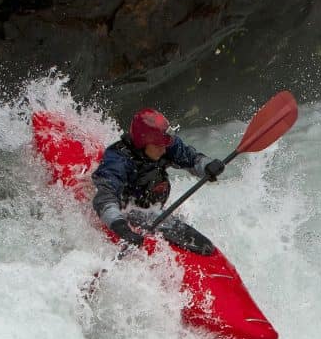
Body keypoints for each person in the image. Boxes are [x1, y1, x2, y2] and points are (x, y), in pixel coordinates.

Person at [91, 108, 225, 254]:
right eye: (158, 145)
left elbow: (192, 159)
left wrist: (207, 166)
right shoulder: (119, 160)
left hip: (152, 207)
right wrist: (120, 226)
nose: (163, 149)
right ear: (143, 143)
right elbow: (104, 198)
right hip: (125, 211)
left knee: (203, 246)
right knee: (135, 210)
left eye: (164, 144)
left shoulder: (164, 145)